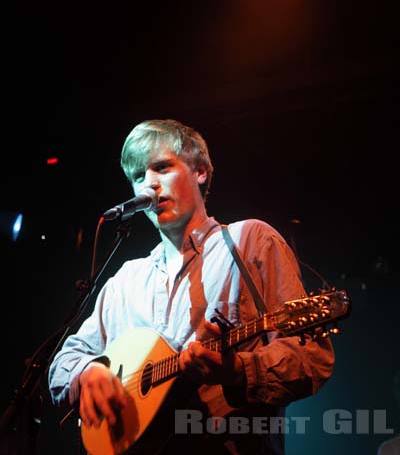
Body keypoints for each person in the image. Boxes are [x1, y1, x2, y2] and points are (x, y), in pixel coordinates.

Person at [48, 118, 335, 454]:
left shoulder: (250, 241)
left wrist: (236, 370)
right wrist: (87, 373)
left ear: (200, 170)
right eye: (138, 176)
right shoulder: (126, 280)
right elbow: (64, 359)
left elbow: (312, 357)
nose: (148, 185)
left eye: (161, 167)